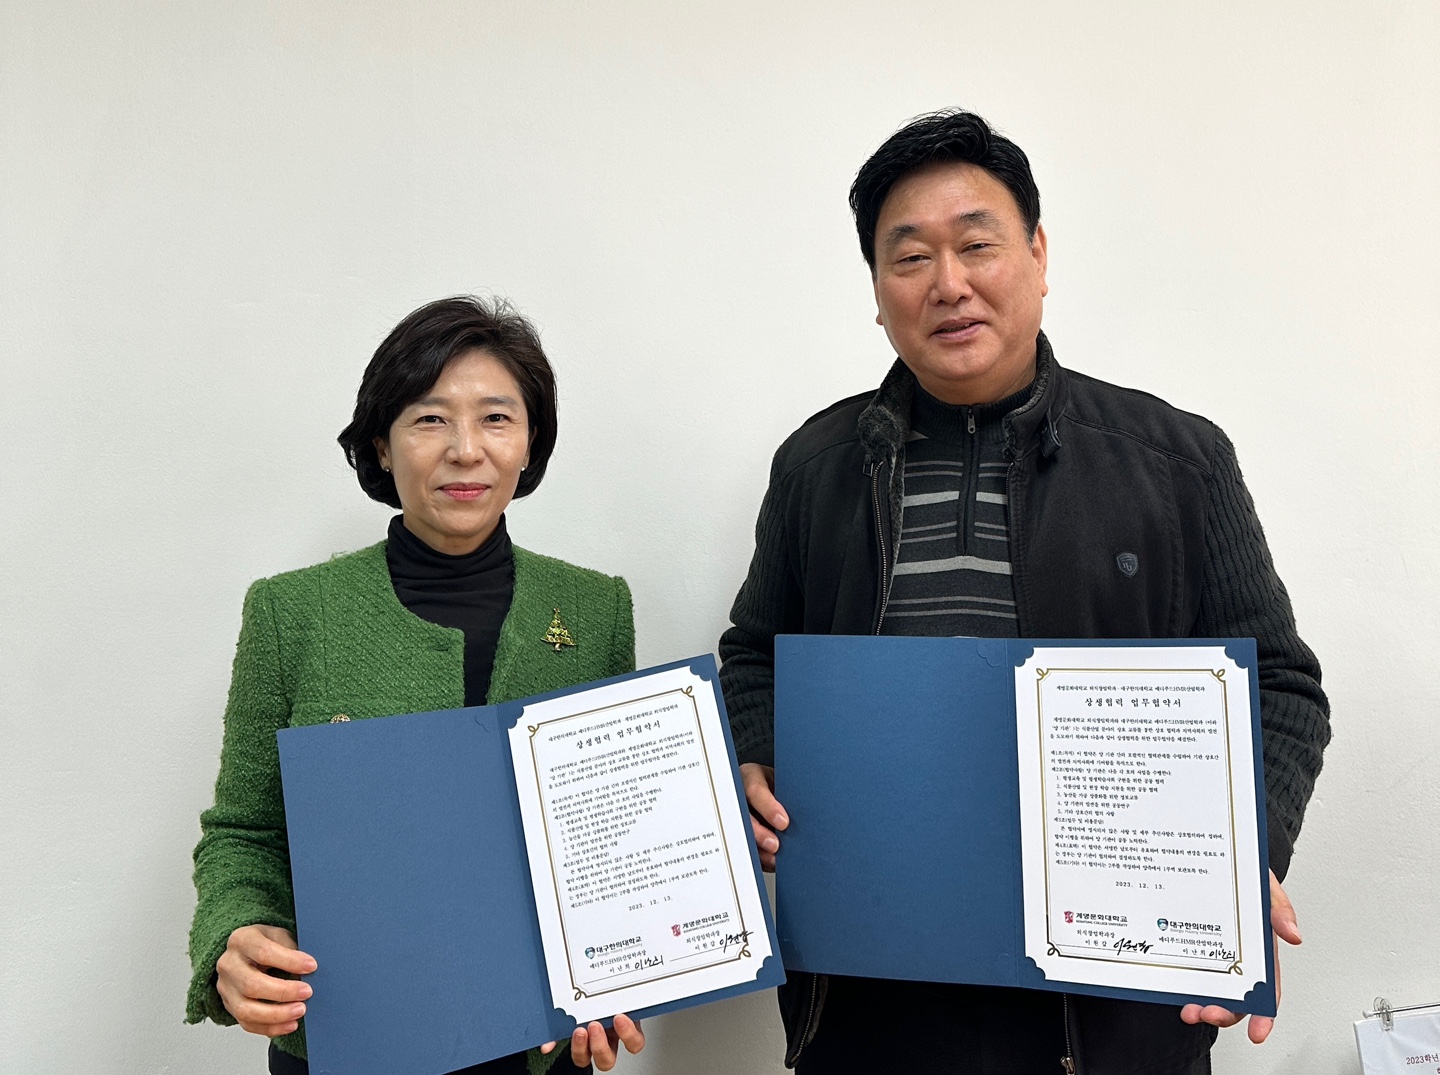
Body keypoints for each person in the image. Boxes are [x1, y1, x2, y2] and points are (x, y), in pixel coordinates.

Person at [719, 110, 1331, 1074]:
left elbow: (1284, 687)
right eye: (909, 256)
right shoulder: (817, 465)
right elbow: (754, 650)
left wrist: (1241, 857)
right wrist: (753, 754)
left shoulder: (1177, 460)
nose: (949, 283)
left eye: (976, 243)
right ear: (877, 292)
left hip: (1113, 1013)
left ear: (1039, 255)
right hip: (870, 1001)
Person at [186, 296, 647, 1075]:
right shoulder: (290, 612)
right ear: (382, 444)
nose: (466, 450)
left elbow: (619, 838)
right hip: (349, 1031)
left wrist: (629, 968)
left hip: (538, 1045)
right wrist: (238, 932)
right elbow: (246, 831)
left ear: (530, 443)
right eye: (430, 419)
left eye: (497, 418)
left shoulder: (597, 609)